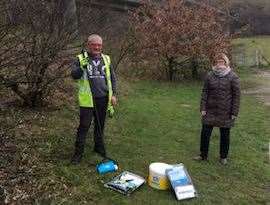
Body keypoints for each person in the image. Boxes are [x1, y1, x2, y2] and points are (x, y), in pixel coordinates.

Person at [70, 34, 117, 164]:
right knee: (84, 126)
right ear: (88, 45)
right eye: (94, 44)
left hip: (103, 98)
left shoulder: (106, 59)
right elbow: (74, 76)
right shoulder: (80, 59)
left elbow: (112, 78)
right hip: (87, 100)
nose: (97, 47)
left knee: (100, 125)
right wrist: (81, 67)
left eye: (99, 45)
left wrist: (113, 94)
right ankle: (78, 154)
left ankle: (98, 147)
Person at [194, 53, 240, 165]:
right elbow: (205, 92)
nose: (220, 63)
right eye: (218, 61)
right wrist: (203, 108)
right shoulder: (210, 75)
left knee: (225, 135)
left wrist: (234, 112)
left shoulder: (232, 76)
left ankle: (223, 157)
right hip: (209, 110)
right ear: (215, 62)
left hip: (226, 112)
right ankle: (203, 155)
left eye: (222, 61)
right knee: (205, 133)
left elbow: (236, 96)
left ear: (226, 62)